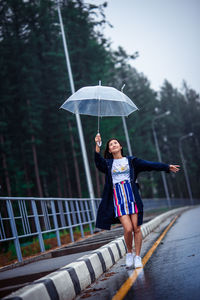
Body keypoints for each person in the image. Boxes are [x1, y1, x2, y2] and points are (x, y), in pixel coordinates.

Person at [94, 133, 180, 269]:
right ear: (109, 150)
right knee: (128, 229)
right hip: (118, 199)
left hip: (132, 197)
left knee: (137, 228)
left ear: (120, 146)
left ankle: (138, 257)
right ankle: (129, 253)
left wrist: (166, 167)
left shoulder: (131, 161)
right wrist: (98, 145)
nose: (113, 145)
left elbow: (149, 165)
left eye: (115, 143)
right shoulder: (108, 164)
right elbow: (98, 162)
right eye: (110, 144)